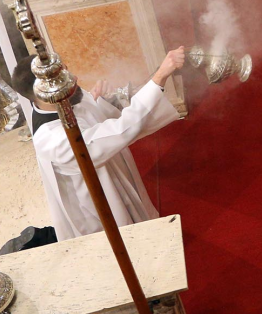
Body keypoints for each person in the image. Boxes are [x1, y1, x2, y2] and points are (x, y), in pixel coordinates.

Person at [12, 47, 185, 241]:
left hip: (117, 177)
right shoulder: (52, 139)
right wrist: (159, 77)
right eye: (62, 78)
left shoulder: (67, 95)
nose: (74, 78)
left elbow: (100, 126)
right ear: (42, 93)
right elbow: (120, 131)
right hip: (98, 210)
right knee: (129, 245)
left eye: (66, 71)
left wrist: (102, 101)